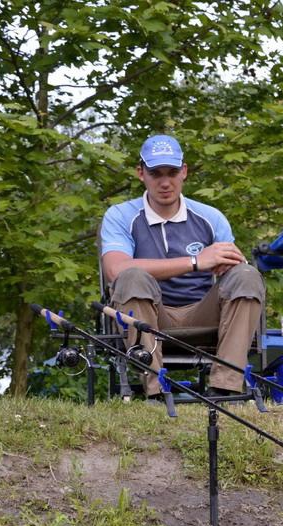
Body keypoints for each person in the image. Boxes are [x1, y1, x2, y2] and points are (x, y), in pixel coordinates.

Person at [100, 134, 265, 397]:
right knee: (131, 277)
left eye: (173, 172)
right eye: (156, 173)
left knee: (247, 275)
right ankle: (155, 390)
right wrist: (195, 262)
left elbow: (235, 271)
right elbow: (115, 270)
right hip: (150, 314)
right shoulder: (120, 215)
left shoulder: (211, 217)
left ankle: (227, 389)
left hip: (203, 311)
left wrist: (230, 266)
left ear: (184, 172)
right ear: (141, 173)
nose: (165, 182)